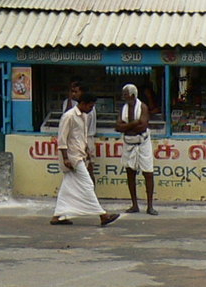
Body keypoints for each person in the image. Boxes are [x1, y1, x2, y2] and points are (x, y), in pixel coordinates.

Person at [51, 89, 118, 227]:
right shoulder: (68, 116)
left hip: (81, 154)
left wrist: (87, 150)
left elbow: (83, 135)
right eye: (90, 106)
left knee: (67, 186)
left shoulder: (85, 116)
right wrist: (65, 158)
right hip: (72, 157)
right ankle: (102, 215)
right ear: (83, 103)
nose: (91, 109)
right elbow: (62, 140)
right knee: (88, 184)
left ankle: (58, 216)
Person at [116, 82, 157, 216]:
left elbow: (143, 126)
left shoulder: (142, 107)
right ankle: (134, 204)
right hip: (129, 143)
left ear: (132, 95)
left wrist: (127, 126)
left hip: (142, 143)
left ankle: (150, 206)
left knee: (148, 173)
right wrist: (134, 124)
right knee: (130, 173)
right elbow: (118, 127)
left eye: (126, 95)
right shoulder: (123, 108)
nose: (124, 97)